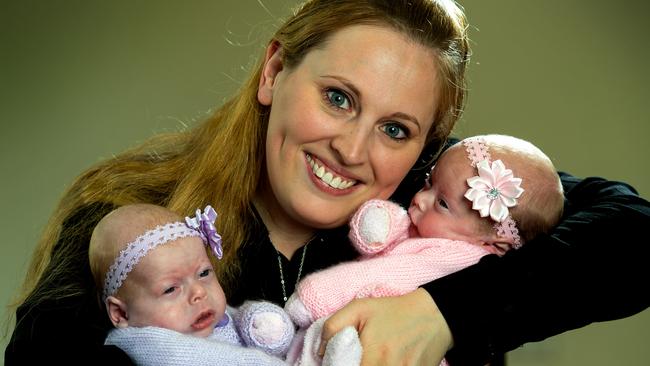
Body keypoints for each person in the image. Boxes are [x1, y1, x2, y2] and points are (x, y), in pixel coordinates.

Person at [5, 1, 648, 365]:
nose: (352, 148)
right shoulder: (135, 224)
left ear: (429, 145)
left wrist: (442, 312)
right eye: (338, 98)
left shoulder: (441, 202)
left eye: (396, 129)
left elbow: (634, 230)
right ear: (274, 71)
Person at [283, 134, 564, 365]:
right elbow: (384, 231)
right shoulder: (433, 231)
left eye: (442, 203)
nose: (419, 198)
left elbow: (381, 273)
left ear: (494, 243)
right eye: (429, 181)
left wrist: (314, 298)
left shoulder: (454, 260)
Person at [88, 203, 294, 365]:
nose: (199, 292)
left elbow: (235, 317)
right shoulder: (152, 346)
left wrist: (257, 321)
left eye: (204, 273)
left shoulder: (205, 316)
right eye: (170, 289)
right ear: (121, 314)